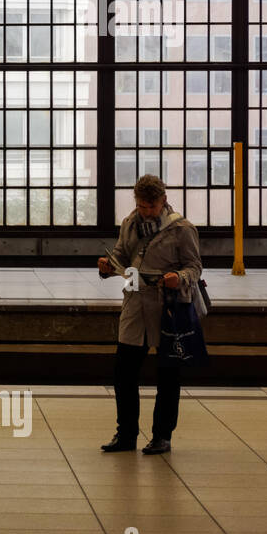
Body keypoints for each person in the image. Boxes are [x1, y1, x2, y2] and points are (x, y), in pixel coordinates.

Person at [96, 174, 202, 455]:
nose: (146, 212)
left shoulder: (182, 229)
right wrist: (108, 266)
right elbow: (121, 255)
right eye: (142, 206)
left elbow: (195, 267)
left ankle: (162, 436)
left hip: (167, 306)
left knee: (168, 373)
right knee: (124, 371)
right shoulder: (130, 223)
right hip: (134, 304)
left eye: (151, 207)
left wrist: (177, 277)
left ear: (163, 201)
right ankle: (126, 433)